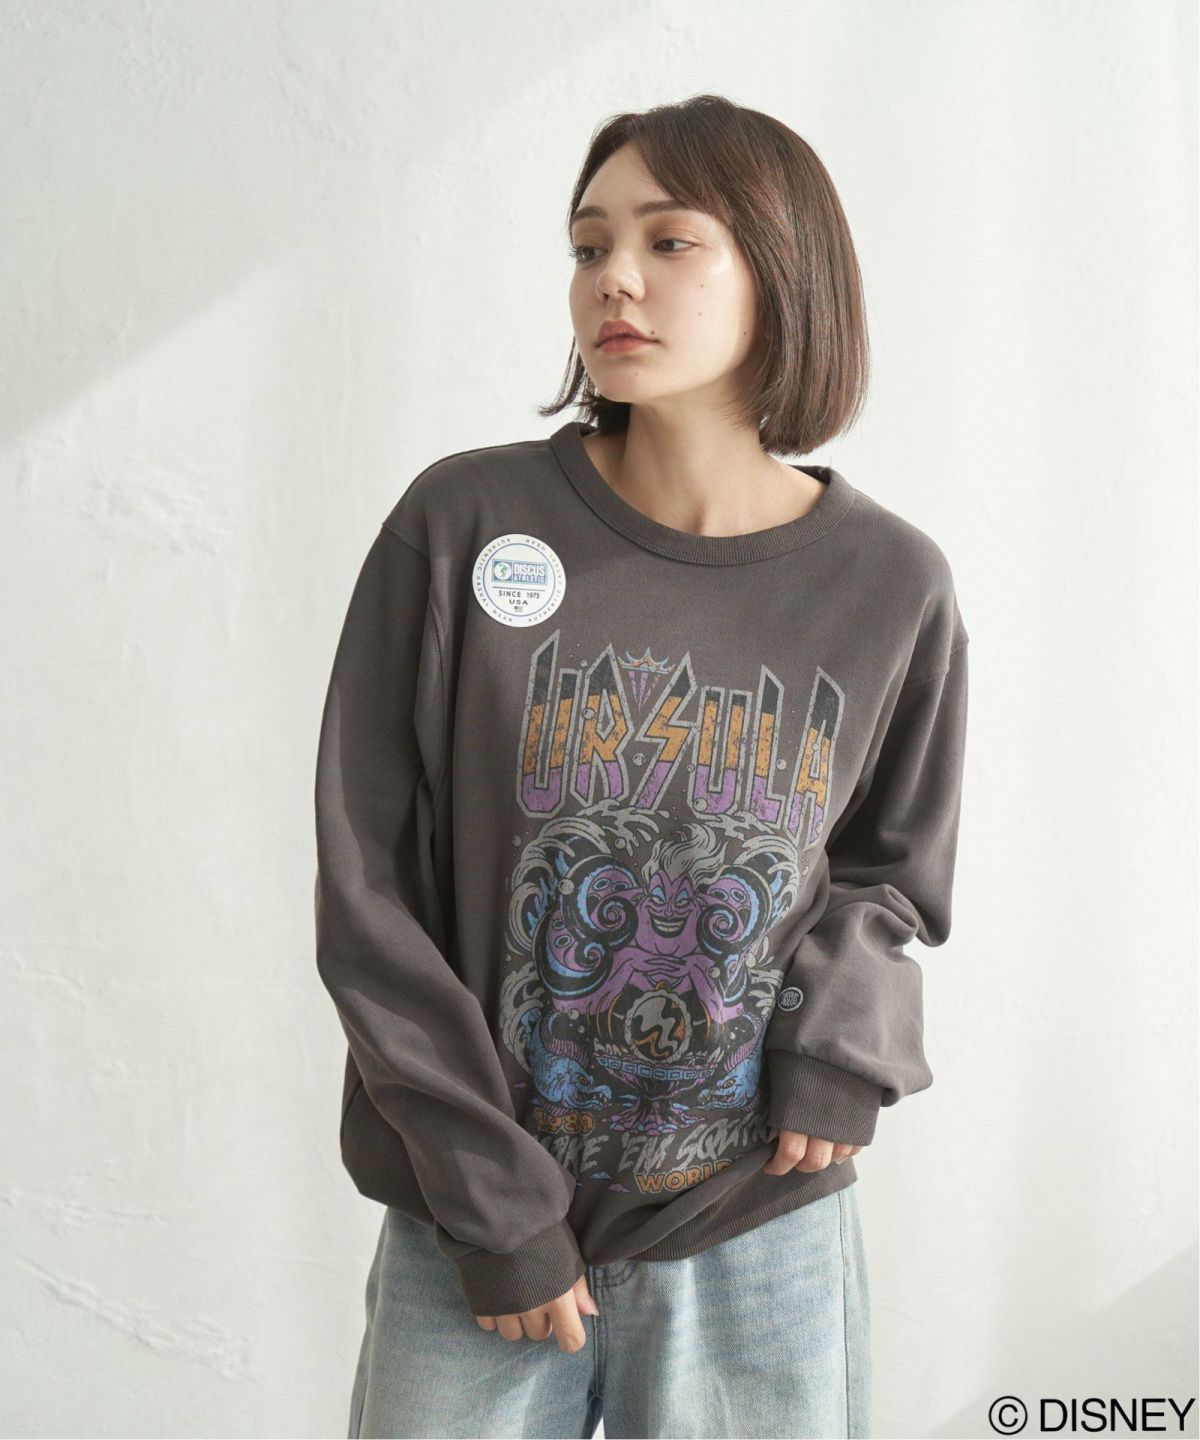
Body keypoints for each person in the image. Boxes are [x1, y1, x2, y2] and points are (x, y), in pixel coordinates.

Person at [314, 92, 969, 1440]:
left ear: (784, 272)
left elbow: (890, 874)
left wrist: (842, 1048)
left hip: (756, 1227)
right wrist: (495, 1209)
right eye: (588, 244)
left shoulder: (890, 584)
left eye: (670, 241)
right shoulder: (462, 524)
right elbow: (368, 892)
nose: (613, 277)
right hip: (476, 1234)